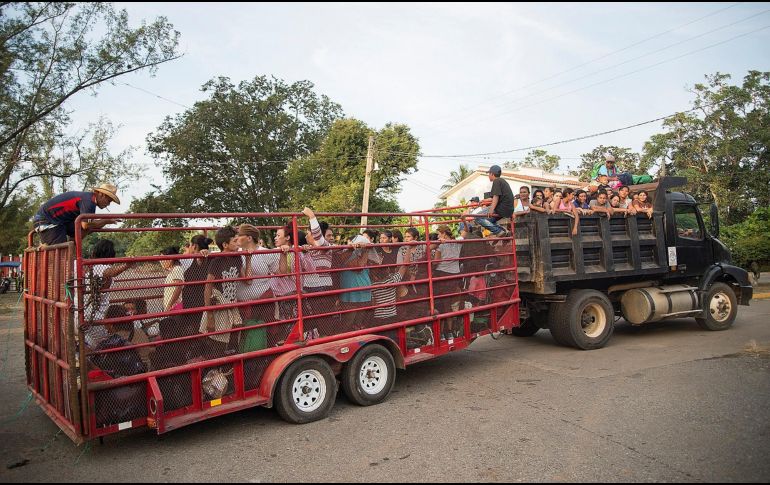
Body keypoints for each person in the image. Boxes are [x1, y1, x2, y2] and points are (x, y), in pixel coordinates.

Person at [83, 239, 134, 348]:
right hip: (96, 316)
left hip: (85, 313)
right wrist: (127, 265)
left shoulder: (89, 267)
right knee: (103, 346)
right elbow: (111, 272)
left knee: (90, 345)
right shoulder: (101, 267)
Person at [33, 183, 122, 245]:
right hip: (48, 221)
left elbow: (86, 226)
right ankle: (70, 251)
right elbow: (85, 225)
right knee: (59, 255)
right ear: (102, 195)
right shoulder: (88, 201)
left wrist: (102, 222)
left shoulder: (89, 199)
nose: (108, 204)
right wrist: (106, 221)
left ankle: (74, 248)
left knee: (91, 227)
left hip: (59, 222)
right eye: (108, 200)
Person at [202, 226, 243, 358]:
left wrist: (248, 257)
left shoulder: (238, 258)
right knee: (218, 340)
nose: (238, 243)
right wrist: (209, 315)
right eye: (235, 241)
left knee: (235, 332)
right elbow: (208, 287)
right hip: (219, 304)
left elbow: (247, 280)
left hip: (231, 303)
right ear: (225, 244)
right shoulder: (217, 261)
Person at [476, 165, 514, 237]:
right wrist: (484, 200)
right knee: (489, 221)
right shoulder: (502, 181)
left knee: (478, 217)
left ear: (492, 174)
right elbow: (495, 197)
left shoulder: (496, 181)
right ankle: (504, 231)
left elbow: (496, 197)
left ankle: (499, 231)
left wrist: (491, 209)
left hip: (502, 208)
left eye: (489, 174)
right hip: (508, 210)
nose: (488, 176)